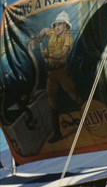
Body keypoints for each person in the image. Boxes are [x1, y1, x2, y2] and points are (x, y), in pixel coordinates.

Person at [29, 10, 83, 143]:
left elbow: (63, 53)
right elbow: (45, 30)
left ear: (66, 26)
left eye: (60, 24)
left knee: (72, 94)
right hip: (51, 73)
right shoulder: (52, 32)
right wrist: (36, 39)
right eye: (56, 24)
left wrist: (49, 56)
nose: (57, 27)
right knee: (51, 101)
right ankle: (57, 132)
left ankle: (87, 119)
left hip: (61, 72)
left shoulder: (68, 37)